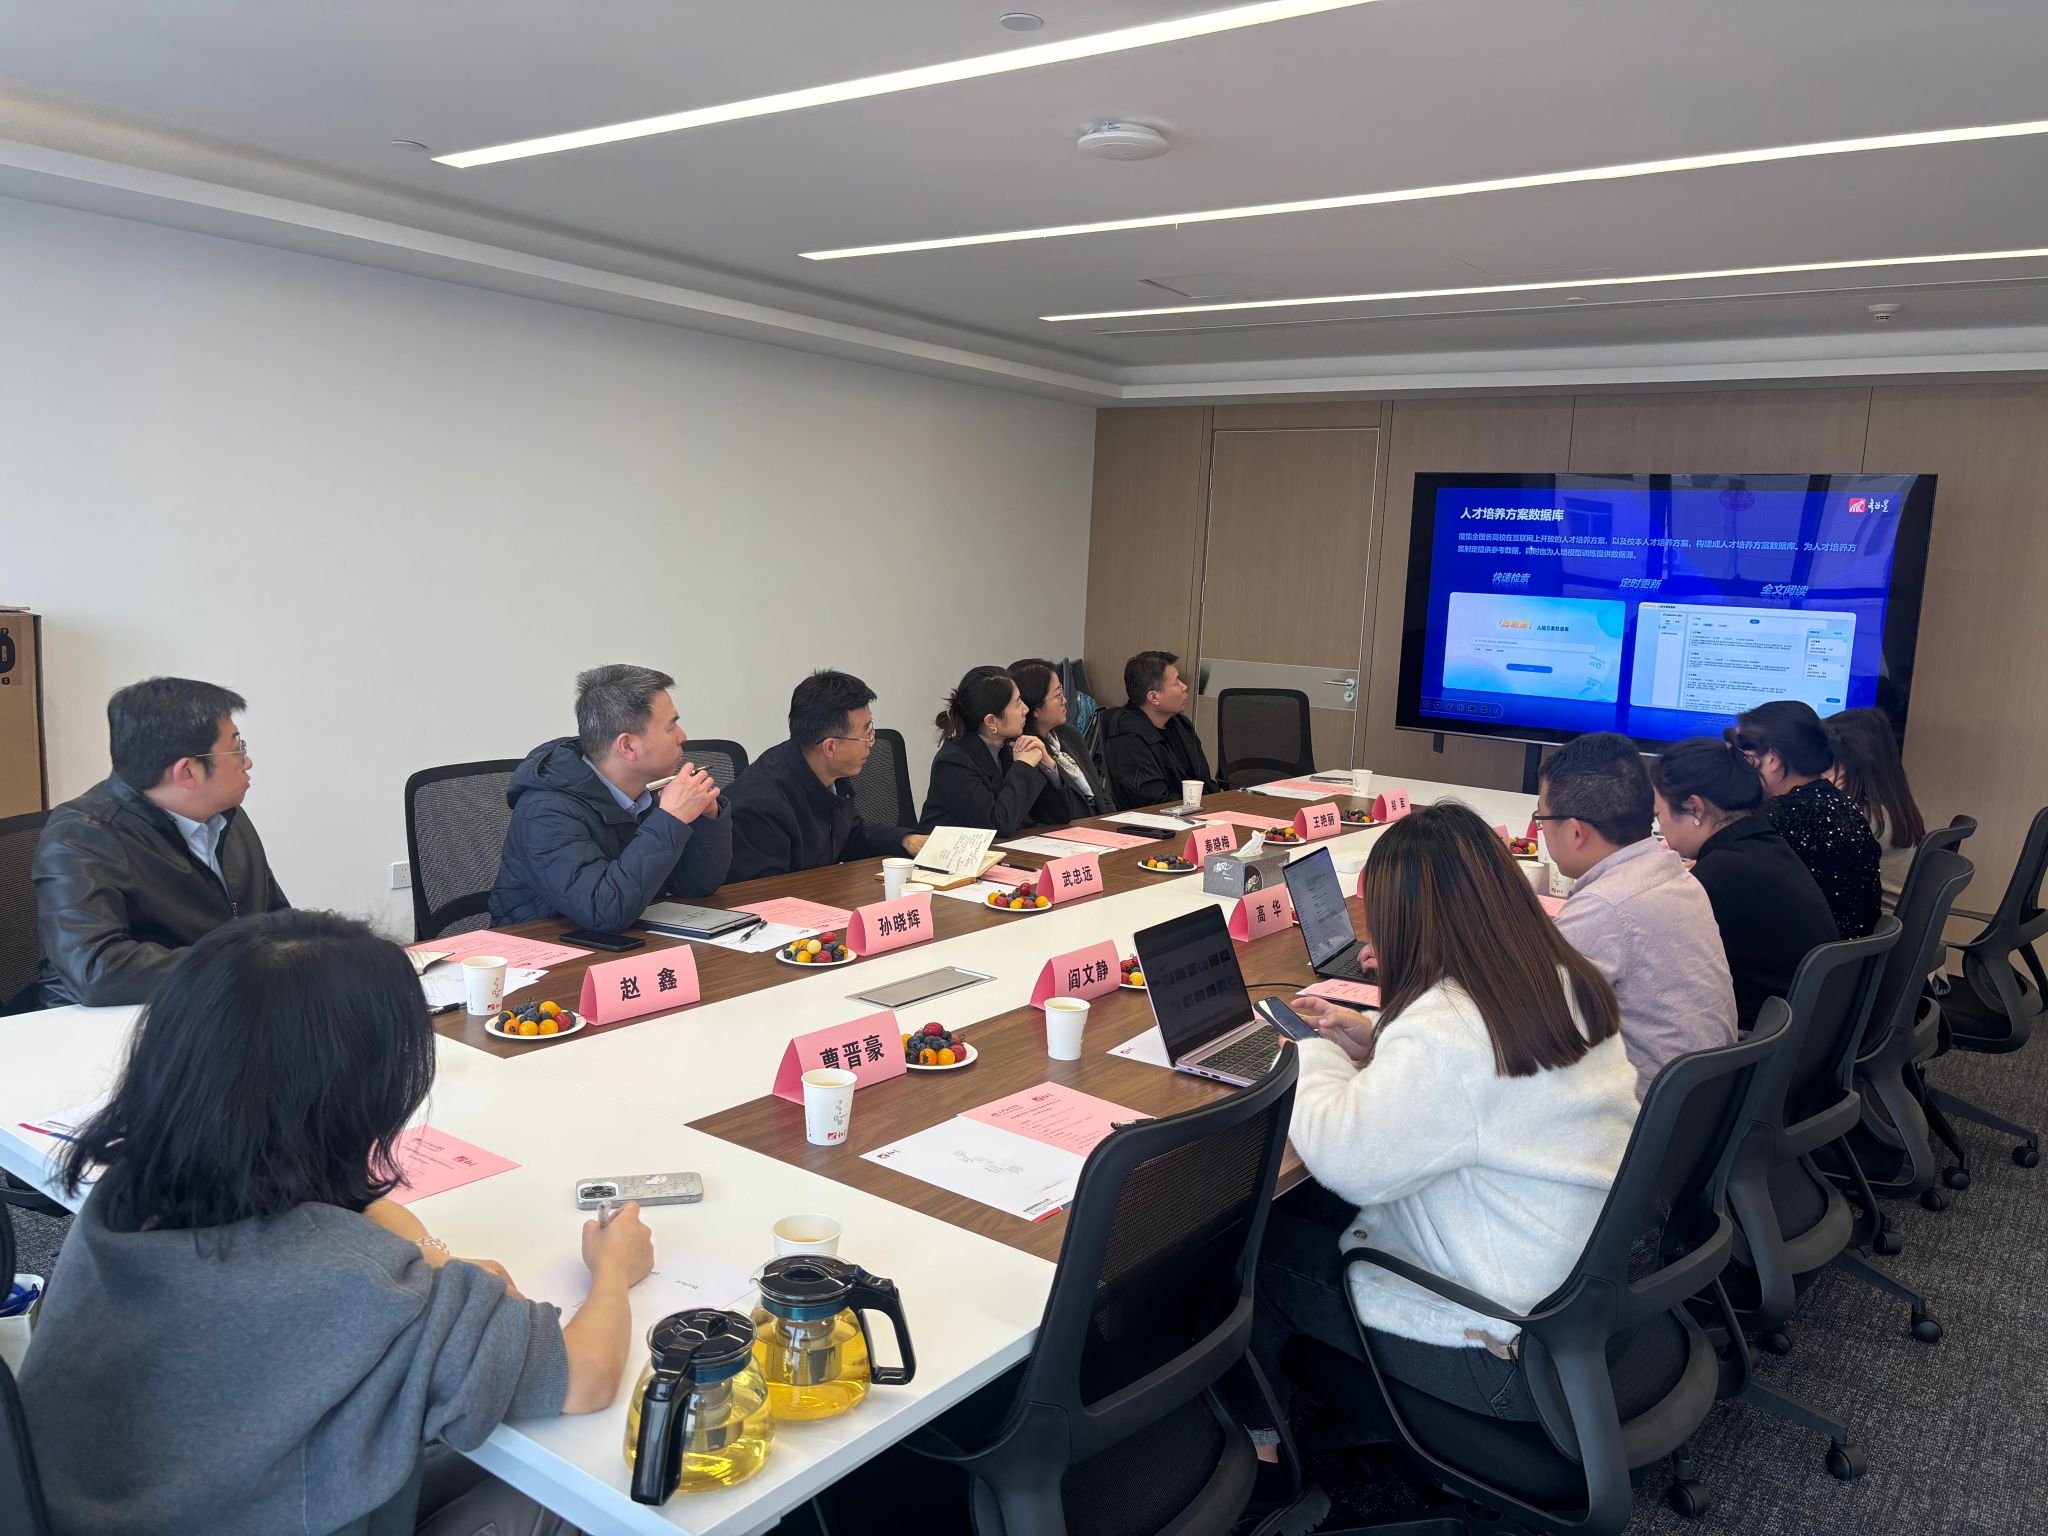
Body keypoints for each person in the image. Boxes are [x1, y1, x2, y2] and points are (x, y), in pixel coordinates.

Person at [17, 910, 655, 1536]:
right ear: (363, 1091)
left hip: (109, 1504)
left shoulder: (121, 1203)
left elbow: (368, 1225)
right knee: (583, 1497)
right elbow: (587, 1375)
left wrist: (429, 1257)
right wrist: (612, 1270)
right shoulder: (367, 1290)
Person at [1249, 803, 1638, 1442]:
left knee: (1252, 1260)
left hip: (1507, 1352)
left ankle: (1265, 1462)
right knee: (1305, 1211)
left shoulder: (1449, 1028)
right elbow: (1479, 1079)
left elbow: (1347, 1159)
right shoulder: (1560, 977)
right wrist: (1378, 1040)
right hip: (1582, 1308)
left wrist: (1308, 1052)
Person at [31, 676, 288, 1009]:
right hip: (115, 1024)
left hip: (216, 1005)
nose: (247, 761)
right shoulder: (81, 835)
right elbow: (96, 970)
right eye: (236, 747)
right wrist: (247, 964)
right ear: (188, 772)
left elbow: (276, 918)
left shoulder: (226, 816)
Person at [1535, 732, 1738, 1098]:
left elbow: (1527, 1013)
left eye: (1542, 818)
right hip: (1705, 1102)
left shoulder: (1605, 906)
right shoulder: (1674, 874)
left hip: (1645, 1114)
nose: (1541, 828)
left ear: (1576, 831)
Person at [491, 664, 732, 931]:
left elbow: (696, 887)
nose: (682, 736)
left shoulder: (647, 793)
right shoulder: (545, 812)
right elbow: (603, 910)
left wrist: (706, 818)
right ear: (627, 745)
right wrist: (670, 819)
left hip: (627, 942)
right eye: (671, 726)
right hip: (538, 947)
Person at [1651, 738, 1839, 1030]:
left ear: (1695, 808)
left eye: (1659, 814)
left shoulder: (1717, 876)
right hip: (1809, 1030)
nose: (1661, 827)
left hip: (1757, 1039)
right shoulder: (1764, 845)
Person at [726, 669, 927, 883]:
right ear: (830, 747)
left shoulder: (828, 774)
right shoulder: (761, 807)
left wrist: (906, 840)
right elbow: (767, 893)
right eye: (866, 733)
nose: (871, 743)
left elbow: (849, 836)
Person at [1729, 701, 1881, 939]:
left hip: (1804, 955)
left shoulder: (1781, 817)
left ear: (1772, 758)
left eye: (1744, 758)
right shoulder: (1840, 803)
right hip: (1847, 954)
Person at [918, 665, 1080, 836]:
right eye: (1017, 703)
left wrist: (1048, 766)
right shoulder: (953, 762)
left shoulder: (1009, 747)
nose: (1026, 709)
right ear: (991, 722)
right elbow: (998, 825)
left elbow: (1059, 816)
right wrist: (1023, 767)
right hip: (952, 851)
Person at [1823, 706, 1927, 905]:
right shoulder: (1892, 809)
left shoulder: (1859, 819)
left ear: (1849, 764)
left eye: (1829, 760)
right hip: (1888, 916)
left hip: (1870, 919)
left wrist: (1826, 795)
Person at [1100, 649, 1218, 811]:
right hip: (1158, 820)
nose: (1185, 687)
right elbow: (1154, 802)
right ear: (1154, 697)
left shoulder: (1181, 724)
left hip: (1197, 813)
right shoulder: (1128, 739)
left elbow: (1204, 782)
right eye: (1177, 682)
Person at [1010, 657, 1112, 818]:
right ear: (1035, 709)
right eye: (1058, 695)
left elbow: (1100, 793)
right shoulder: (1024, 750)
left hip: (1099, 824)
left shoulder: (1069, 734)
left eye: (1062, 692)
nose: (1064, 700)